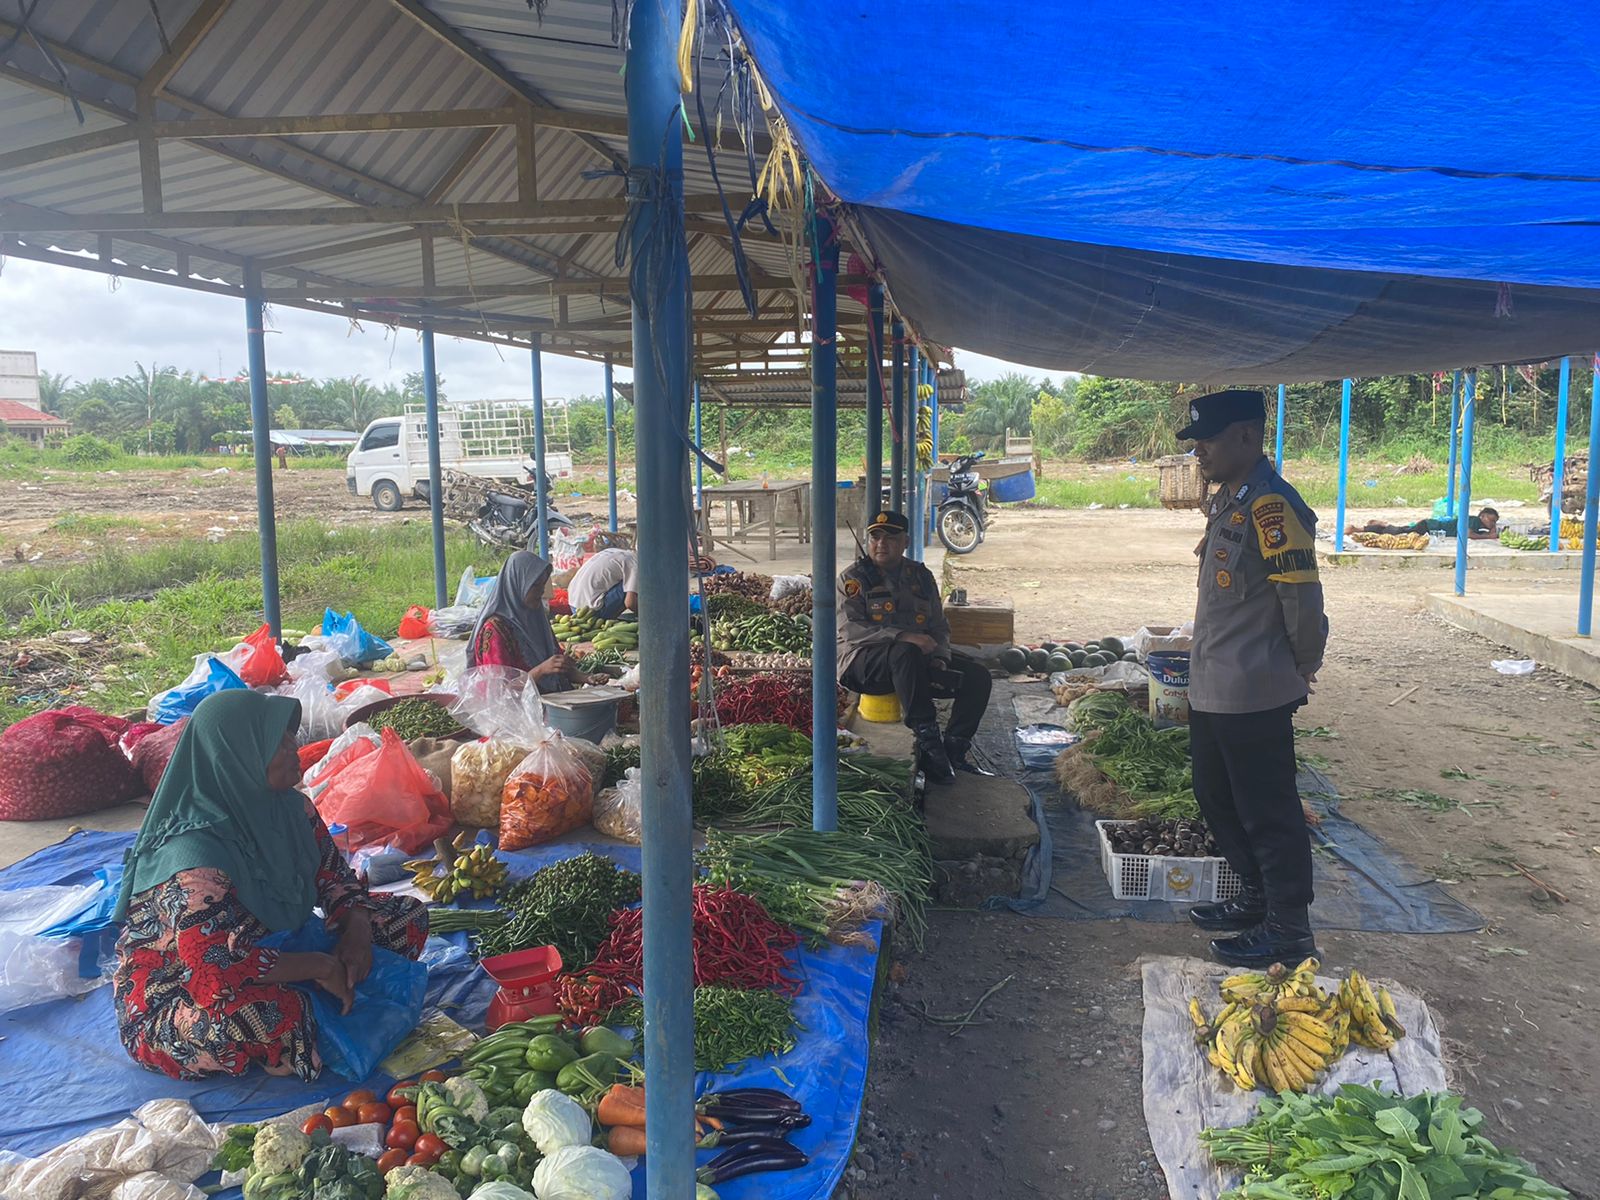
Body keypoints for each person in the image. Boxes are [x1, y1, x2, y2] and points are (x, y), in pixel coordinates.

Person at [111, 690, 427, 1080]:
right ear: (237, 756)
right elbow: (214, 972)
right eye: (276, 742)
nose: (294, 748)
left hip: (276, 945)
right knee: (271, 1014)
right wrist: (318, 965)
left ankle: (314, 1020)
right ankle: (299, 1030)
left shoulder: (293, 811)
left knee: (404, 917)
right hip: (183, 988)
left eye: (288, 736)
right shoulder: (196, 859)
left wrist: (357, 932)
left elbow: (336, 880)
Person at [1180, 389, 1328, 967]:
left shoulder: (1273, 505)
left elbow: (1301, 598)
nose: (1199, 452)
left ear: (1246, 436)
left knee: (1269, 811)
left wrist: (1304, 663)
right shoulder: (1230, 500)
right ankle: (1254, 898)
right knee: (1215, 796)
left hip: (1255, 689)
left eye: (1208, 440)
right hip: (1214, 683)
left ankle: (1290, 931)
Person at [837, 510, 993, 782]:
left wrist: (941, 657)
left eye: (890, 538)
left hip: (913, 665)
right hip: (862, 666)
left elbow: (938, 626)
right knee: (905, 652)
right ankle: (930, 746)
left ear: (905, 541)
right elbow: (851, 630)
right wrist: (903, 636)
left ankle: (954, 750)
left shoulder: (920, 577)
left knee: (978, 676)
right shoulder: (853, 580)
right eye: (875, 537)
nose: (881, 544)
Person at [467, 550, 584, 692]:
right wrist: (540, 671)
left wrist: (586, 677)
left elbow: (556, 665)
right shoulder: (495, 631)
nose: (541, 591)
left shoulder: (536, 619)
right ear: (516, 585)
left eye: (542, 585)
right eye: (534, 586)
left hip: (548, 701)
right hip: (516, 710)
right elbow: (499, 690)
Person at [568, 547, 639, 619]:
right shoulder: (635, 564)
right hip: (591, 613)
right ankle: (606, 618)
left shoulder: (612, 551)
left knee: (629, 582)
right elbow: (630, 603)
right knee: (632, 586)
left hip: (573, 606)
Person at [1349, 507, 1499, 540]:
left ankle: (1381, 524)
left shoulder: (1475, 522)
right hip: (1429, 527)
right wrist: (1489, 536)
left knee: (1402, 530)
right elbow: (1468, 535)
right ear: (1482, 516)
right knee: (1397, 534)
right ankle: (1360, 528)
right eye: (1491, 521)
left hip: (1429, 524)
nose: (1492, 524)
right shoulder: (1474, 520)